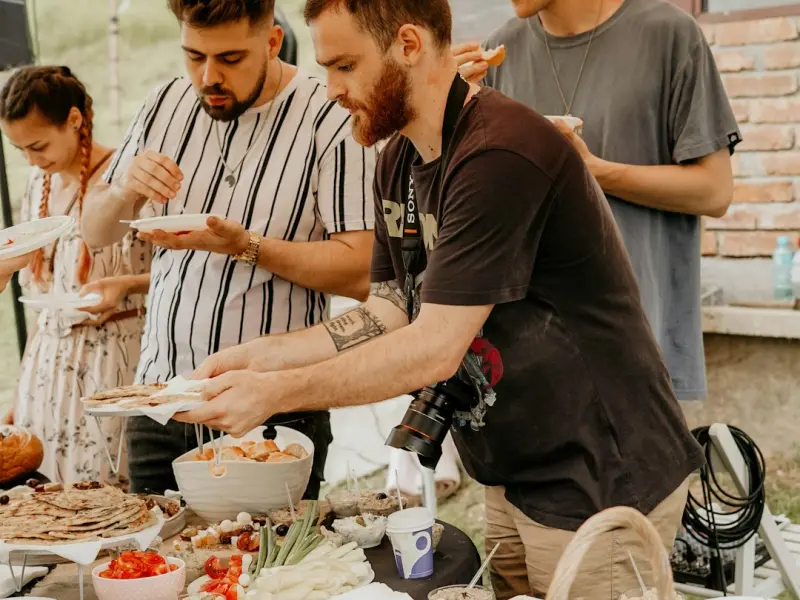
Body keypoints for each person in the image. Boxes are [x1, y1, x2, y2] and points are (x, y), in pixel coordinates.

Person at [174, 0, 705, 597]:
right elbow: (387, 312)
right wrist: (258, 358)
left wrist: (274, 394)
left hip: (601, 469)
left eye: (345, 65)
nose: (330, 89)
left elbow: (433, 350)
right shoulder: (397, 158)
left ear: (408, 44)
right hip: (512, 467)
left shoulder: (500, 153)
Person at [80, 0, 377, 498]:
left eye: (231, 59)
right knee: (160, 566)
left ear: (272, 41)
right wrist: (123, 189)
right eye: (193, 56)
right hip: (160, 401)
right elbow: (94, 231)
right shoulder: (165, 104)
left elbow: (362, 271)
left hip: (272, 410)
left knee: (268, 571)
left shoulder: (328, 118)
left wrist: (247, 247)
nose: (208, 77)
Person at [453, 0, 739, 403]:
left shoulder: (669, 33)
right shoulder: (500, 51)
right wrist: (449, 112)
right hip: (527, 357)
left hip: (635, 353)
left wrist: (594, 170)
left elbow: (715, 191)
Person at [0, 66, 151, 485]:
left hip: (110, 360)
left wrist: (124, 285)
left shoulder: (124, 178)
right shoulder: (37, 184)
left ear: (74, 120)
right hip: (45, 364)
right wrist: (19, 391)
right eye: (20, 151)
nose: (32, 160)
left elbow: (179, 271)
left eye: (39, 146)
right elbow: (41, 297)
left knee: (101, 489)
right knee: (42, 492)